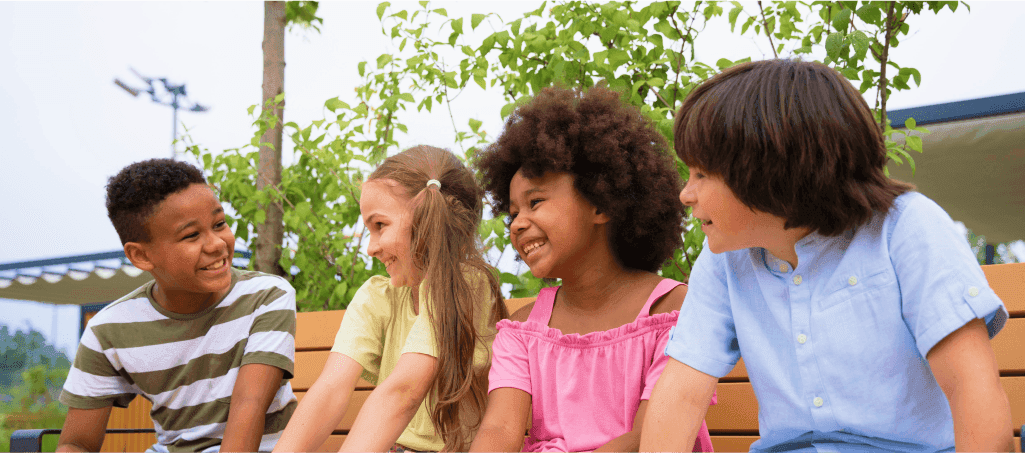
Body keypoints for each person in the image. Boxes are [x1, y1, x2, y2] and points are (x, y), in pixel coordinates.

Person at [640, 59, 1013, 452]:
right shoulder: (725, 261)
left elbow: (971, 389)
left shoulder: (905, 228)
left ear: (769, 170)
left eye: (701, 174)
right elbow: (681, 394)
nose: (686, 193)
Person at [469, 85, 714, 453]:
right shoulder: (523, 331)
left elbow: (651, 435)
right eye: (513, 212)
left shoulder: (673, 310)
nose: (517, 224)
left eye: (535, 202)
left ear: (601, 204)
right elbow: (500, 430)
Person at [273, 145, 507, 453]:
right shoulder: (377, 296)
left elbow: (403, 393)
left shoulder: (468, 286)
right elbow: (330, 391)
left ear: (426, 217)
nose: (370, 248)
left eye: (379, 225)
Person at [57, 159, 298, 453]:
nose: (217, 244)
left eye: (219, 224)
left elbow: (249, 406)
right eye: (191, 235)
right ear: (141, 256)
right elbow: (76, 443)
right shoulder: (108, 330)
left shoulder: (266, 296)